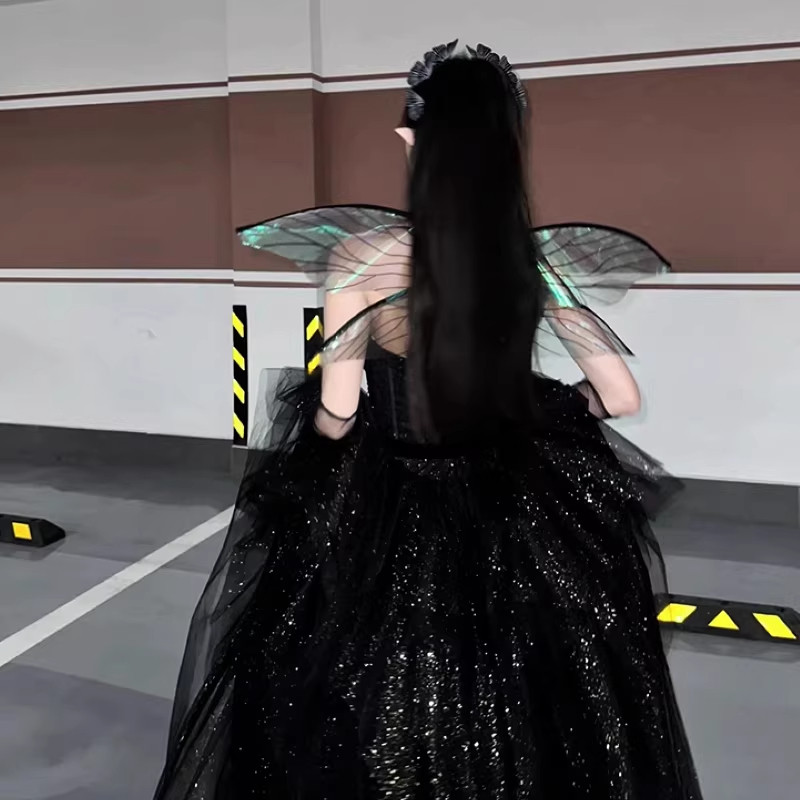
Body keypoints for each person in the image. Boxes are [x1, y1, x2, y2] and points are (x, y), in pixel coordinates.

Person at [153, 41, 703, 799]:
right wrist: (552, 402)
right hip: (512, 507)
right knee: (527, 698)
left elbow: (340, 410)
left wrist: (323, 445)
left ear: (415, 140)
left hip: (391, 506)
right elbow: (620, 397)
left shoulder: (361, 256)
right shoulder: (528, 261)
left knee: (362, 691)